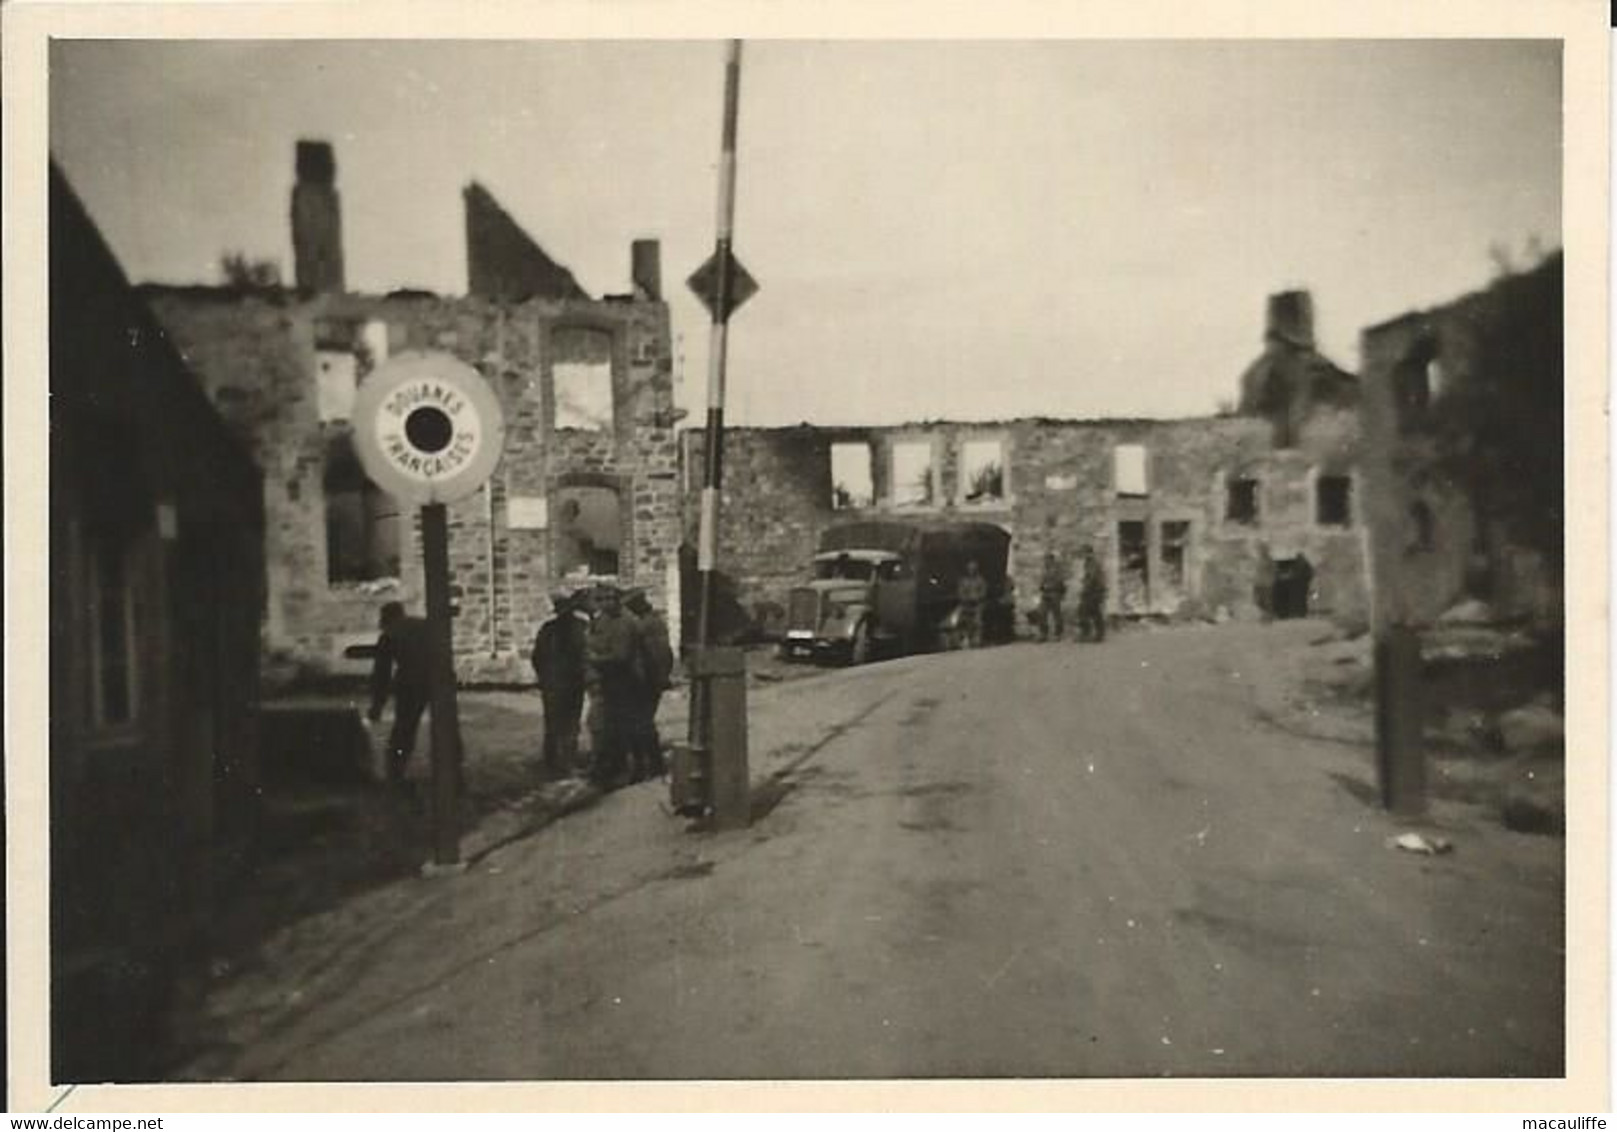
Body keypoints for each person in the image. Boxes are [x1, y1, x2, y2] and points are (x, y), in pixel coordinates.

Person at [366, 601, 432, 790]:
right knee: (446, 726)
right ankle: (453, 769)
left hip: (410, 682)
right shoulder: (425, 626)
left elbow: (382, 674)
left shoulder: (389, 635)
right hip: (435, 678)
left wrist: (377, 705)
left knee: (404, 729)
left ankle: (395, 773)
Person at [585, 584, 638, 790]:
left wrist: (596, 659)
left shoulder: (624, 623)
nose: (606, 603)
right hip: (602, 683)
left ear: (618, 600)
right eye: (601, 599)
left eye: (610, 598)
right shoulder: (601, 621)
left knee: (615, 728)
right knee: (598, 726)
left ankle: (617, 770)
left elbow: (621, 656)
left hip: (619, 683)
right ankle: (602, 767)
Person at [531, 591, 589, 779]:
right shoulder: (578, 628)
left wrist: (545, 677)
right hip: (565, 683)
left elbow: (537, 657)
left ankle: (557, 760)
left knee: (558, 721)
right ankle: (561, 760)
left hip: (559, 683)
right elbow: (538, 657)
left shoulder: (549, 629)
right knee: (566, 722)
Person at [624, 589, 675, 783]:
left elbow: (660, 655)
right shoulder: (647, 622)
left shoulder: (650, 624)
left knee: (642, 723)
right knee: (640, 723)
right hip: (643, 679)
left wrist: (659, 678)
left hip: (647, 681)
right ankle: (650, 765)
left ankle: (651, 765)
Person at [1076, 545, 1107, 643]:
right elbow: (1088, 577)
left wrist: (1084, 589)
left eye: (1084, 553)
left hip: (1094, 591)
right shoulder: (1088, 563)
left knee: (1084, 611)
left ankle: (1088, 634)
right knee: (1094, 613)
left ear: (1089, 553)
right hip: (1093, 591)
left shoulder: (1093, 563)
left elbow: (1092, 578)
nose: (1083, 555)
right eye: (1083, 553)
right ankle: (1097, 634)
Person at [956, 559, 988, 649]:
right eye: (970, 569)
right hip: (966, 604)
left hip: (977, 604)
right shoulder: (963, 581)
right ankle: (965, 639)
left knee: (977, 622)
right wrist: (965, 598)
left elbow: (983, 591)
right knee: (964, 622)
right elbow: (960, 592)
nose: (971, 570)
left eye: (973, 569)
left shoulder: (980, 580)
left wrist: (977, 597)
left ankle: (976, 640)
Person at [1038, 551, 1068, 642]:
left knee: (1056, 614)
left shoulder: (1057, 569)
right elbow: (1042, 581)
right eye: (1045, 559)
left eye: (1047, 559)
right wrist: (1041, 586)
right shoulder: (1044, 570)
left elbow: (1060, 582)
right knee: (1042, 613)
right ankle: (1043, 633)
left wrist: (1050, 586)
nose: (1045, 561)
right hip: (1045, 594)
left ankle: (1058, 634)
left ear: (1051, 560)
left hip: (1055, 593)